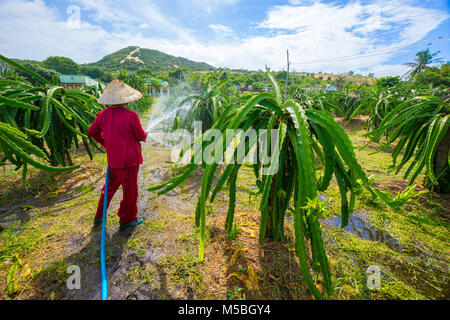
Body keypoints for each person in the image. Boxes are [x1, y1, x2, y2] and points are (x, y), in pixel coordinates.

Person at [88, 80, 148, 230]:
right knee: (130, 192)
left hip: (114, 161)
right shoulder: (131, 116)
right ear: (125, 100)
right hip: (129, 161)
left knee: (108, 187)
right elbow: (140, 136)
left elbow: (91, 132)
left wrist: (106, 143)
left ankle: (99, 216)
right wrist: (146, 134)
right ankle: (127, 220)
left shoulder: (102, 115)